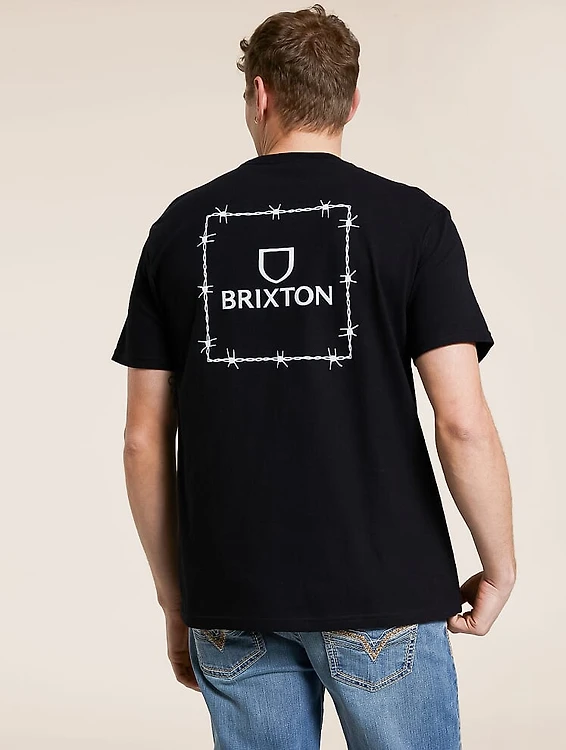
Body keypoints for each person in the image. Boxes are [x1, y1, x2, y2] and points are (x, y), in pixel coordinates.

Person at [111, 4, 516, 748]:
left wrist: (177, 599)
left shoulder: (179, 228)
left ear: (259, 95)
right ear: (351, 102)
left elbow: (143, 440)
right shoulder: (414, 223)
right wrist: (499, 564)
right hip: (382, 587)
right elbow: (462, 422)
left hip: (233, 593)